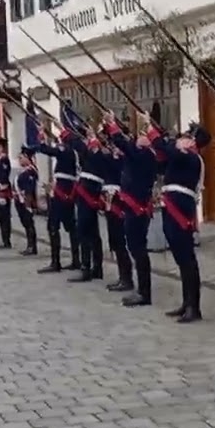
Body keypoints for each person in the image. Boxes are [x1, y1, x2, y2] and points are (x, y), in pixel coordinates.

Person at [147, 119, 208, 323]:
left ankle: (194, 307)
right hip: (170, 205)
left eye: (185, 137)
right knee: (181, 259)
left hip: (181, 207)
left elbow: (169, 151)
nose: (180, 139)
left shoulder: (192, 157)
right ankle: (186, 302)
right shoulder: (180, 156)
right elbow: (161, 162)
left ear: (193, 143)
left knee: (187, 259)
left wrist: (155, 133)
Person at [103, 111, 158, 308]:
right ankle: (141, 290)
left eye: (144, 133)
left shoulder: (145, 155)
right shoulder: (137, 155)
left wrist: (112, 123)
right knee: (134, 248)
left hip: (138, 209)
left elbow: (123, 144)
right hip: (132, 206)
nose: (139, 136)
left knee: (138, 249)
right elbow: (123, 146)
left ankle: (144, 293)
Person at [34, 125, 80, 274]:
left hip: (62, 189)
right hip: (68, 188)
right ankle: (76, 260)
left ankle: (56, 262)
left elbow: (48, 150)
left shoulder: (65, 150)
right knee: (71, 226)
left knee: (53, 225)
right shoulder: (74, 151)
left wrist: (41, 139)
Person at [65, 128, 107, 283]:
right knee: (92, 232)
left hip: (89, 194)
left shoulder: (98, 154)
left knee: (84, 232)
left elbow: (79, 146)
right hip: (87, 194)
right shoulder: (93, 154)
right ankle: (96, 267)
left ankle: (86, 268)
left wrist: (66, 132)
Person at [99, 133, 130, 293]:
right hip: (110, 201)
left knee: (120, 241)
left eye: (115, 146)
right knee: (115, 241)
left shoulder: (125, 161)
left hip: (119, 201)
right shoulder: (112, 159)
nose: (113, 148)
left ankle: (127, 279)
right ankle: (122, 277)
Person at [14, 146, 40, 256]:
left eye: (22, 157)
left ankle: (32, 246)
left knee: (29, 223)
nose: (19, 159)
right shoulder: (23, 171)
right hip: (20, 200)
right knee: (25, 223)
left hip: (25, 201)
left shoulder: (30, 172)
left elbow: (29, 190)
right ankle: (30, 245)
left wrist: (28, 204)